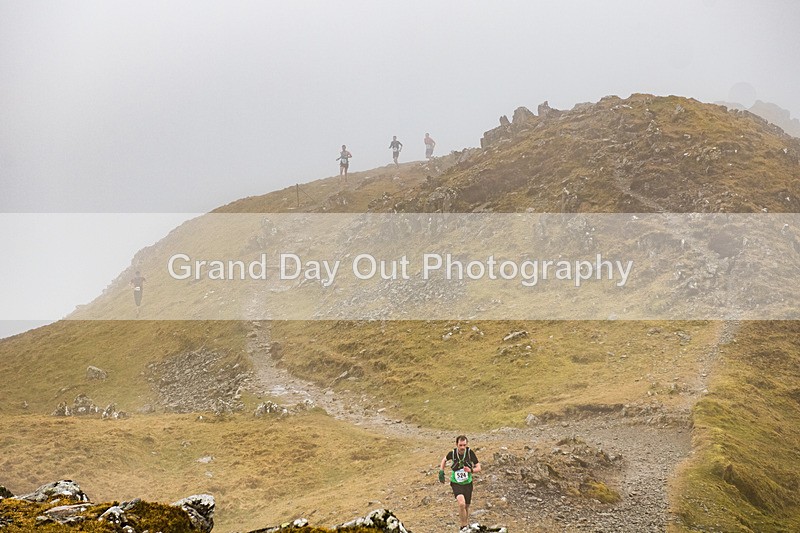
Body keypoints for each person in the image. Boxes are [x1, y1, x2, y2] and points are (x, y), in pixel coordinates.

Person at [439, 435, 481, 532]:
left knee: (466, 506)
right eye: (460, 445)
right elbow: (444, 460)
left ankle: (465, 525)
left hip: (468, 483)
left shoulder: (470, 453)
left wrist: (471, 470)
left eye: (464, 445)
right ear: (456, 444)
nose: (462, 447)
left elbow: (479, 467)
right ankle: (463, 527)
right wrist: (441, 471)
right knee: (461, 504)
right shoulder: (453, 453)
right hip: (456, 483)